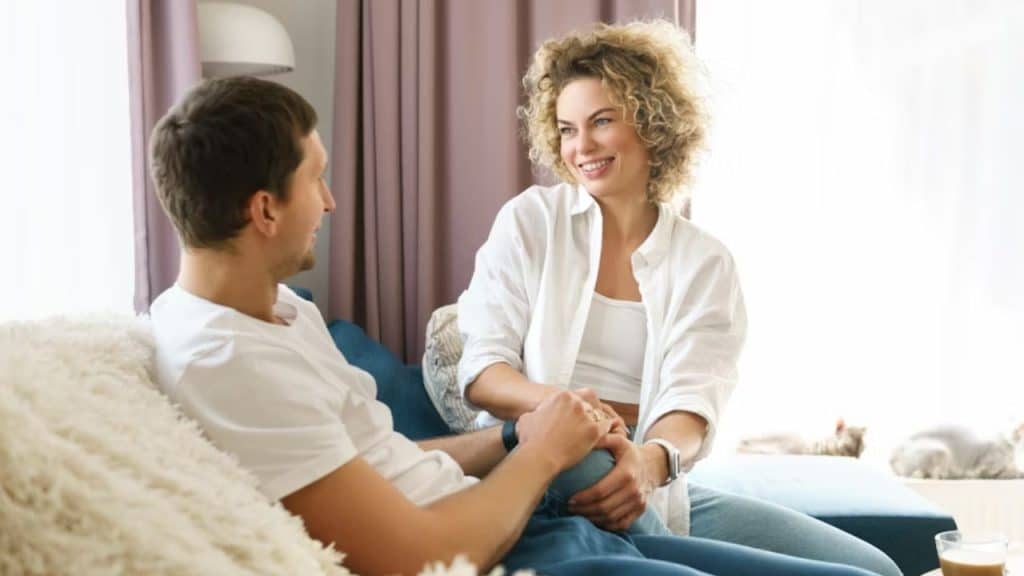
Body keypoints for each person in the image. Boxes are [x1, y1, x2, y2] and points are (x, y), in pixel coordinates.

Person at [148, 76, 885, 576]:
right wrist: (545, 442)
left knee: (871, 567)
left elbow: (382, 458)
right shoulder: (226, 358)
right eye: (317, 179)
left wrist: (518, 442)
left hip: (580, 483)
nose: (333, 202)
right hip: (525, 517)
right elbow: (419, 556)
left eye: (603, 121)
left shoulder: (280, 310)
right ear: (265, 210)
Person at [457, 20, 903, 576]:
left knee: (876, 568)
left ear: (652, 123)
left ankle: (649, 544)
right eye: (568, 129)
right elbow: (484, 374)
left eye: (601, 122)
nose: (581, 147)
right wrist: (570, 413)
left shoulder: (704, 262)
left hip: (646, 484)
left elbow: (692, 406)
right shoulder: (531, 221)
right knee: (587, 458)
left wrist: (645, 465)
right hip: (536, 466)